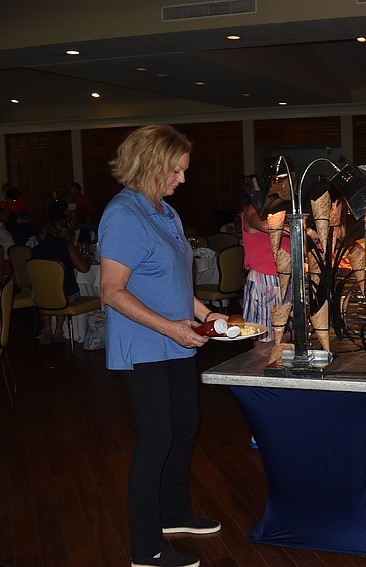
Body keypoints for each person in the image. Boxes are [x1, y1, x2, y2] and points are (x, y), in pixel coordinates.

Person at [99, 124, 226, 567]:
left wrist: (206, 314)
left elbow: (174, 280)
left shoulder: (164, 212)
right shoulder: (123, 214)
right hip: (145, 345)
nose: (182, 179)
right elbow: (112, 290)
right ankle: (145, 548)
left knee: (185, 425)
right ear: (151, 165)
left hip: (176, 341)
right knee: (156, 439)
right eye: (176, 170)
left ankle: (174, 513)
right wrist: (171, 328)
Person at [241, 168, 294, 343]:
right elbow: (264, 225)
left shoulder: (284, 213)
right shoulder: (252, 210)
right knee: (264, 339)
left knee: (287, 337)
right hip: (264, 281)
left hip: (287, 279)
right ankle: (259, 370)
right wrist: (298, 230)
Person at [31, 199, 92, 344]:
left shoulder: (36, 249)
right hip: (64, 295)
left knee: (46, 288)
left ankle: (46, 329)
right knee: (64, 288)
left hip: (40, 296)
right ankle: (58, 330)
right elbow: (83, 268)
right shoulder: (67, 246)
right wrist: (88, 260)